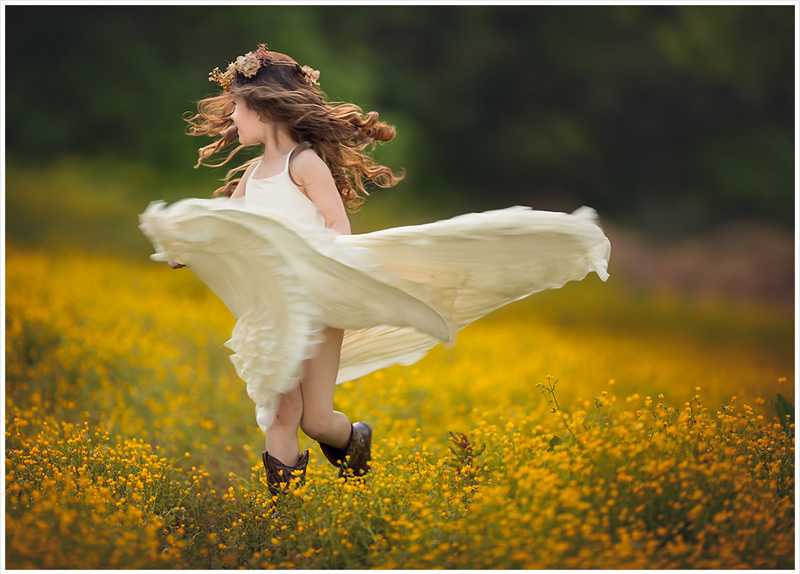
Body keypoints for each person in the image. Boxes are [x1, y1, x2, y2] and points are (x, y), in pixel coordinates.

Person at [139, 44, 611, 500]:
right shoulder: (251, 175)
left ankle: (354, 441)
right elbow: (229, 229)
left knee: (316, 421)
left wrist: (328, 271)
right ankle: (280, 517)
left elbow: (336, 224)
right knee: (282, 412)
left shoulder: (303, 163)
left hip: (319, 301)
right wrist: (190, 249)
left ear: (263, 108)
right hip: (272, 309)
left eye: (237, 107)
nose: (232, 118)